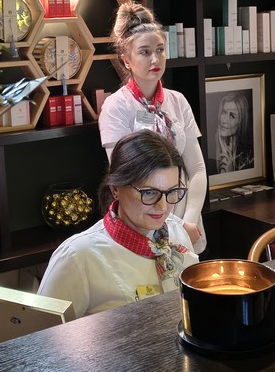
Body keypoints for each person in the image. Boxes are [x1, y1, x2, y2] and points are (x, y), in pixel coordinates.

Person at [37, 130, 199, 318]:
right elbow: (41, 332)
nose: (162, 206)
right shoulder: (78, 256)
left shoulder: (177, 234)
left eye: (172, 191)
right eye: (149, 192)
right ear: (115, 189)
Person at [98, 2, 207, 252]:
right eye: (145, 52)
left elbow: (197, 169)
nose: (155, 59)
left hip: (186, 218)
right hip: (140, 221)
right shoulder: (116, 107)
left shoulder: (178, 101)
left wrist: (188, 221)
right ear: (126, 60)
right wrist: (171, 224)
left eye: (160, 50)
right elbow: (126, 179)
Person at [214, 91, 254, 173]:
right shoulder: (212, 145)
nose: (224, 121)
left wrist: (230, 172)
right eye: (224, 112)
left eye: (232, 116)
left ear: (241, 121)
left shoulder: (249, 153)